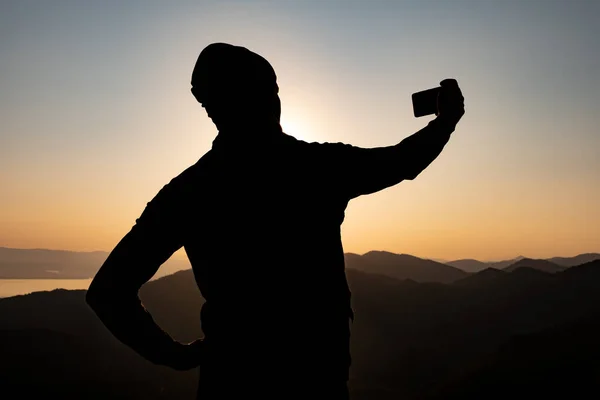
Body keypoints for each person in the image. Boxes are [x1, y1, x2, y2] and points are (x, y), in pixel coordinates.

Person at [86, 42, 465, 399]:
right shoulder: (315, 169)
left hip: (231, 382)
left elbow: (108, 291)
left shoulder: (189, 192)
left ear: (211, 107)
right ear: (266, 98)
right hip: (316, 382)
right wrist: (445, 122)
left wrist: (174, 355)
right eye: (272, 89)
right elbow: (401, 161)